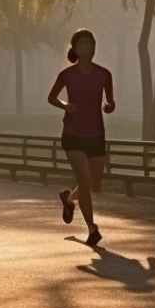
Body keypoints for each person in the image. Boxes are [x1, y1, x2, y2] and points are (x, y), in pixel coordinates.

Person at [47, 28, 115, 247]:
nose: (87, 48)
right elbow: (51, 98)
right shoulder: (67, 75)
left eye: (90, 44)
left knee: (94, 184)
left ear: (94, 48)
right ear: (75, 49)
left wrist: (109, 106)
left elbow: (110, 102)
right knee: (85, 184)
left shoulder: (104, 74)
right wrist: (66, 106)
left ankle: (68, 199)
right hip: (73, 134)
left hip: (96, 134)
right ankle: (92, 229)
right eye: (83, 45)